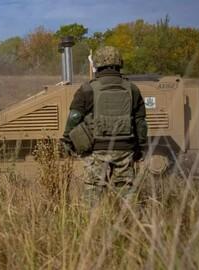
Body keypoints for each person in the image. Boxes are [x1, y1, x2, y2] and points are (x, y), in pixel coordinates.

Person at [61, 46, 148, 204]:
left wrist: (67, 139)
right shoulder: (132, 89)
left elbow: (74, 117)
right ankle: (131, 224)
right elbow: (140, 122)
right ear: (119, 63)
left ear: (96, 64)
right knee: (126, 191)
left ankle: (90, 226)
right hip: (125, 149)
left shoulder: (87, 89)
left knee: (93, 192)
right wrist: (141, 148)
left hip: (97, 149)